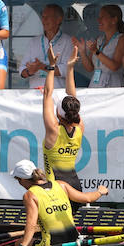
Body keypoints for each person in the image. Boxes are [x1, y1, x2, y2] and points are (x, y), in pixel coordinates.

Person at [10, 159, 108, 246]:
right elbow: (88, 198)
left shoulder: (30, 195)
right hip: (74, 241)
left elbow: (31, 225)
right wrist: (100, 191)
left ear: (22, 180)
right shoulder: (61, 185)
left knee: (18, 243)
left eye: (18, 181)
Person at [41, 46, 85, 198]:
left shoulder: (53, 130)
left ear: (58, 114)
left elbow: (47, 94)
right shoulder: (80, 128)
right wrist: (70, 67)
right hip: (75, 186)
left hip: (57, 188)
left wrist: (52, 66)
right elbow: (73, 97)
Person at [19, 3, 73, 84]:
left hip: (57, 92)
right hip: (35, 92)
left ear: (59, 20)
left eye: (48, 17)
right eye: (43, 17)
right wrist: (29, 71)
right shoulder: (34, 42)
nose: (44, 20)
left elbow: (66, 70)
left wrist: (43, 67)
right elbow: (22, 71)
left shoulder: (67, 41)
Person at [76, 4, 124, 88]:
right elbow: (89, 68)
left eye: (102, 17)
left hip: (113, 85)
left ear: (114, 20)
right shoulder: (99, 39)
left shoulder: (121, 39)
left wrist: (96, 52)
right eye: (98, 17)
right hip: (96, 84)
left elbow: (114, 66)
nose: (98, 20)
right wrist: (82, 52)